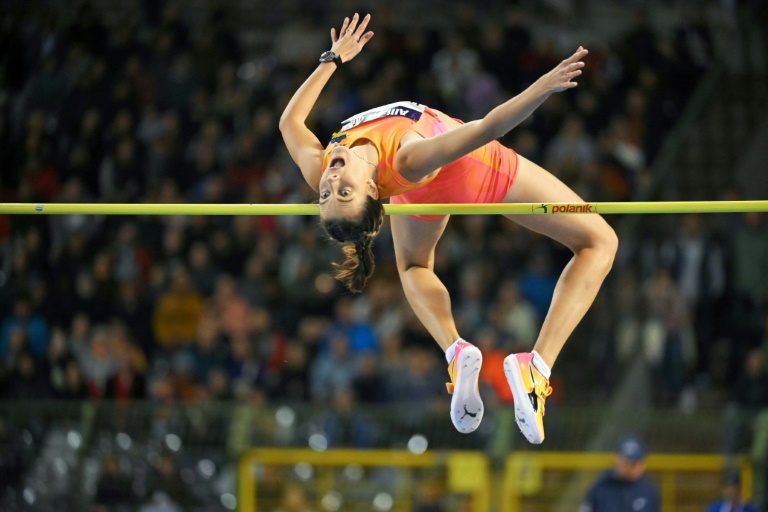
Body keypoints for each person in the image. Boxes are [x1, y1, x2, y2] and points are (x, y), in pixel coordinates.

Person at [279, 13, 618, 443]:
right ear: (369, 189)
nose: (329, 186)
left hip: (418, 194)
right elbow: (486, 128)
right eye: (343, 194)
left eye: (326, 197)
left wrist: (333, 58)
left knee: (413, 268)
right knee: (600, 241)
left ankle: (457, 351)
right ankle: (537, 367)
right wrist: (541, 88)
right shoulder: (408, 159)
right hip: (472, 171)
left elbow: (289, 124)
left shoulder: (322, 166)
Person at [579, 437, 660, 512]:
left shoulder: (648, 490)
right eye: (629, 463)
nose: (633, 468)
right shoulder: (601, 487)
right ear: (617, 460)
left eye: (637, 462)